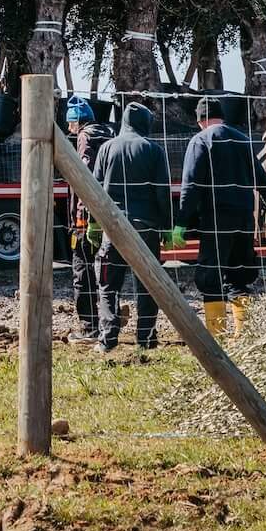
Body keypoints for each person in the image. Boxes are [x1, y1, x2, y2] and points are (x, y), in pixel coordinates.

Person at [178, 93, 266, 336]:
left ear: (200, 120)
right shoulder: (242, 139)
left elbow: (191, 185)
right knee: (239, 276)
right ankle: (243, 335)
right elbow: (261, 178)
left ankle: (217, 335)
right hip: (244, 218)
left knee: (211, 275)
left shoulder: (200, 140)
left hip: (216, 219)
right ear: (221, 117)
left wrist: (180, 222)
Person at [90, 101, 172, 351]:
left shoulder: (106, 148)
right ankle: (146, 337)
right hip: (145, 227)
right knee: (148, 285)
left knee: (107, 284)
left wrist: (94, 223)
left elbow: (94, 189)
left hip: (113, 227)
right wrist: (167, 227)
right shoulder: (154, 150)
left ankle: (108, 336)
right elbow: (162, 193)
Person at [63, 97, 108, 342]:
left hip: (85, 219)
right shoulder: (108, 135)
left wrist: (83, 216)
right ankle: (107, 321)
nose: (68, 128)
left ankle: (89, 328)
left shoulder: (85, 138)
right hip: (108, 216)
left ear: (76, 121)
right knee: (104, 270)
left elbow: (85, 178)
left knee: (83, 272)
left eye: (70, 123)